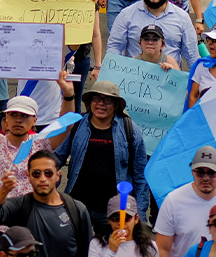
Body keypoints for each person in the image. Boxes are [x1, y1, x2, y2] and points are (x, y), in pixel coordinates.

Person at [56, 81, 149, 227]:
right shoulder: (77, 125)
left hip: (113, 210)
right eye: (96, 99)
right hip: (77, 205)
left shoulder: (130, 129)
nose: (101, 104)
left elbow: (140, 175)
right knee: (75, 248)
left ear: (116, 105)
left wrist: (140, 215)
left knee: (110, 248)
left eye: (107, 100)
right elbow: (56, 159)